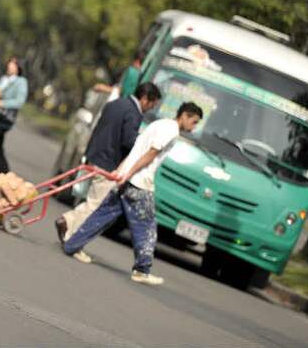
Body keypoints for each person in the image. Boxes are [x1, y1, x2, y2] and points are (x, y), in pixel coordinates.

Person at [61, 102, 203, 286]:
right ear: (184, 115)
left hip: (128, 177)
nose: (194, 127)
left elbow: (136, 150)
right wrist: (128, 173)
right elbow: (149, 155)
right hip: (139, 182)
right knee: (146, 227)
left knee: (103, 214)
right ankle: (142, 270)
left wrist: (121, 171)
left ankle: (72, 245)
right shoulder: (171, 130)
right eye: (194, 121)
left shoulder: (158, 124)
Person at [55, 81, 162, 259]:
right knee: (96, 205)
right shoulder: (133, 114)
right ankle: (69, 227)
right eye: (152, 104)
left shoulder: (115, 104)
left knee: (92, 200)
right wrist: (144, 146)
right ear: (145, 99)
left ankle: (70, 230)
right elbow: (129, 141)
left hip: (94, 155)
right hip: (109, 163)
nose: (151, 108)